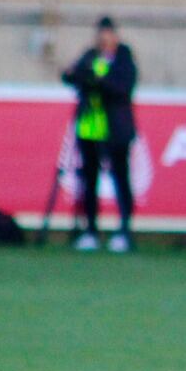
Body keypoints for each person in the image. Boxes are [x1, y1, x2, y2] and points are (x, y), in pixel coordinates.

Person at [61, 17, 138, 253]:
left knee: (120, 178)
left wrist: (98, 81)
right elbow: (71, 76)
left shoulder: (124, 60)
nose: (104, 41)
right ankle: (91, 230)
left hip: (116, 130)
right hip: (89, 128)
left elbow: (123, 88)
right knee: (89, 179)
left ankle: (124, 230)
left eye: (108, 36)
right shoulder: (89, 57)